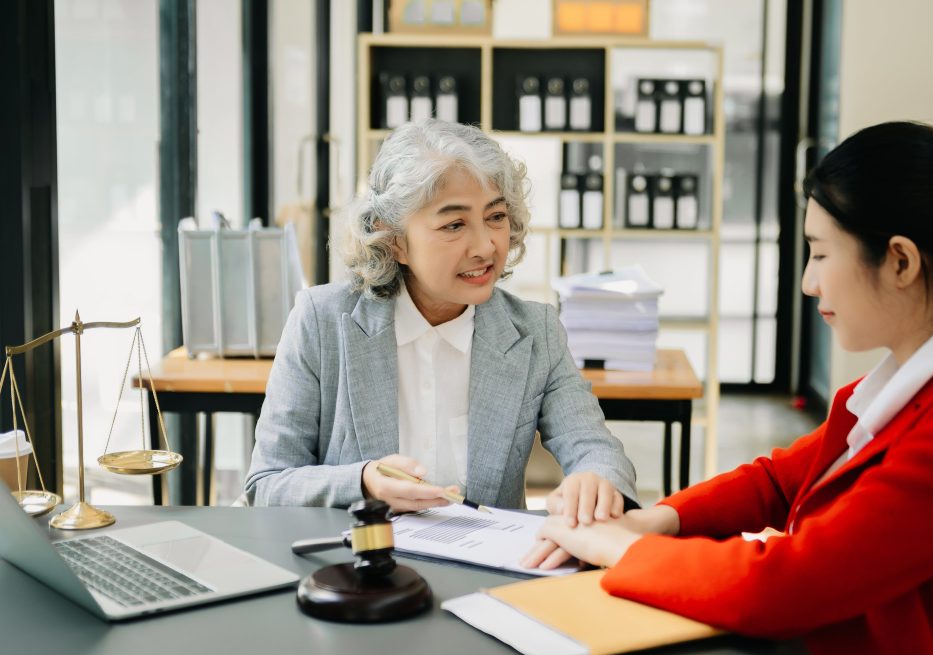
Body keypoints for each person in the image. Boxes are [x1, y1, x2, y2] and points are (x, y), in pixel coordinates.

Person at [523, 121, 933, 655]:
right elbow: (777, 481)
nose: (810, 283)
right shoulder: (903, 386)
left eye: (820, 255)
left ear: (901, 262)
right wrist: (658, 521)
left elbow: (787, 584)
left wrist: (619, 547)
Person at [244, 119, 638, 523]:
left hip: (491, 572)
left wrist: (596, 479)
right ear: (394, 240)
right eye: (454, 224)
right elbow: (268, 483)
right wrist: (362, 481)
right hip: (360, 570)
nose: (486, 246)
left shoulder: (535, 331)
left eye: (496, 216)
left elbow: (597, 449)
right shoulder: (322, 321)